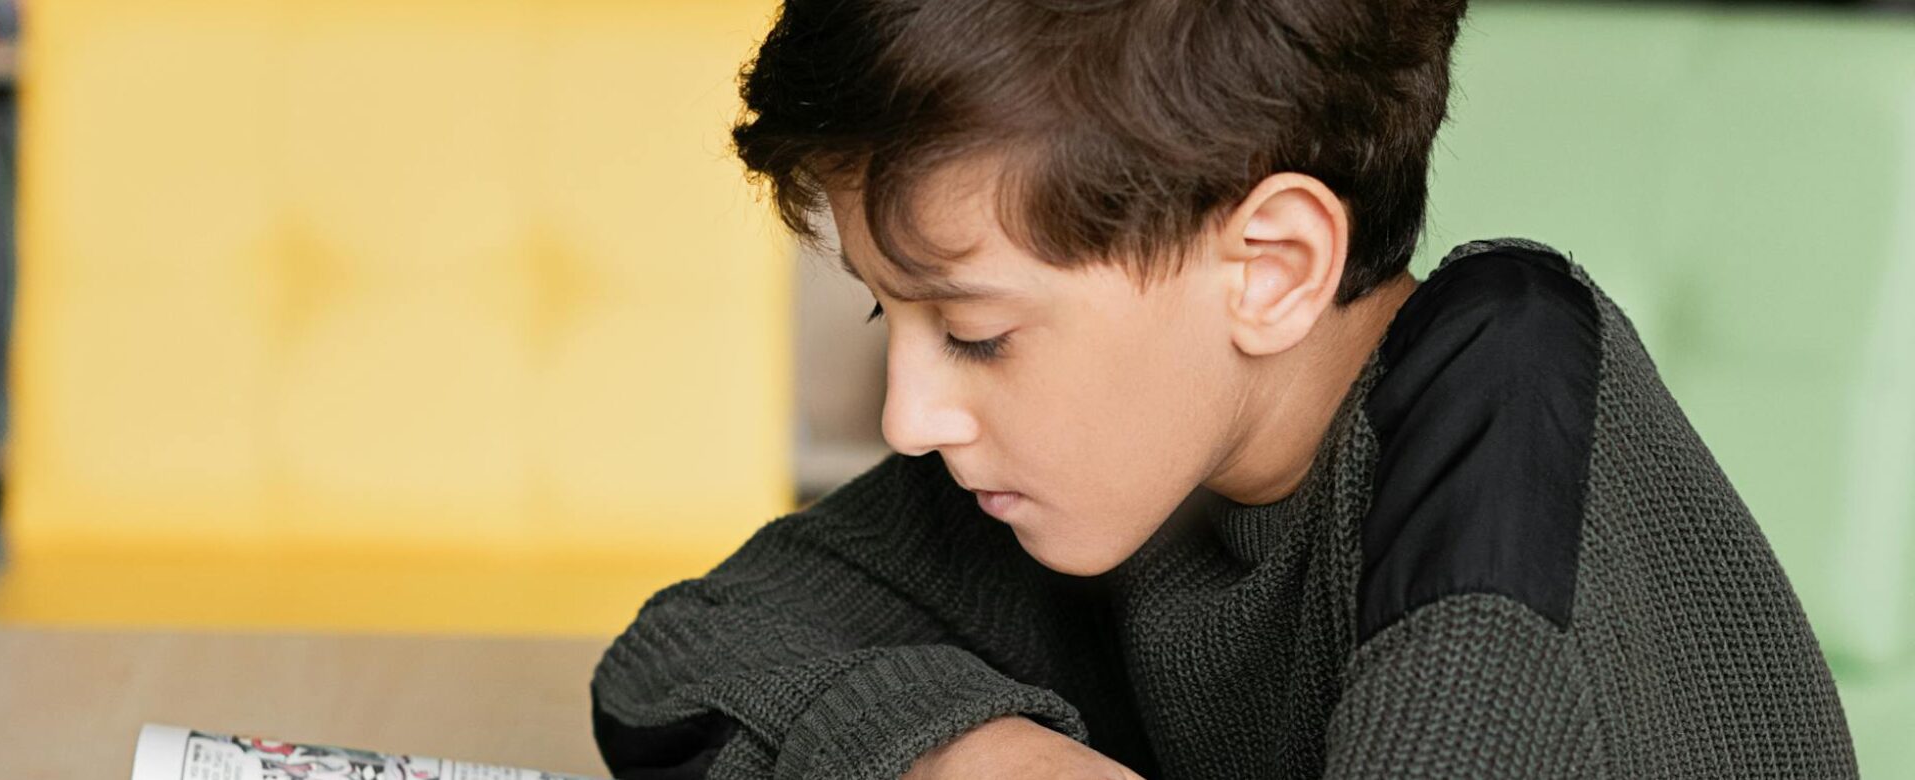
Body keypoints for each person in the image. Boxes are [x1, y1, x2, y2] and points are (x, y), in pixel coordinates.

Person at [590, 0, 1858, 777]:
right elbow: (672, 661)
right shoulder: (1130, 464)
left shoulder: (1501, 392)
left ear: (1269, 269)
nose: (908, 417)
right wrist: (967, 748)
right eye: (890, 312)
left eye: (974, 332)